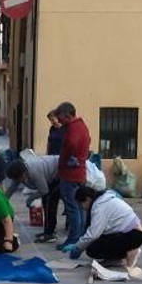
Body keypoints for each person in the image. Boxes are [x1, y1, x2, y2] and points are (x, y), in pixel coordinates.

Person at [67, 185, 142, 277]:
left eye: (82, 204)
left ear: (87, 199)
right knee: (97, 241)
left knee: (92, 248)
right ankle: (115, 259)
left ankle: (132, 251)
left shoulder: (99, 206)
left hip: (132, 235)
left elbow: (93, 234)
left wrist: (78, 248)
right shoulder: (104, 199)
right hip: (133, 233)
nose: (83, 208)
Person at [55, 101, 92, 251]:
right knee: (79, 207)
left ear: (68, 115)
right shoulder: (82, 126)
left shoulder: (74, 128)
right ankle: (80, 236)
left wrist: (68, 159)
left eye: (61, 118)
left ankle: (74, 238)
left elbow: (72, 143)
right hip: (79, 173)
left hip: (70, 174)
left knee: (72, 208)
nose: (59, 122)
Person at [3, 150, 61, 243]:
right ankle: (48, 231)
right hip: (52, 175)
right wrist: (3, 201)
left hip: (60, 172)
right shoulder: (21, 172)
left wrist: (30, 199)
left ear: (23, 173)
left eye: (18, 178)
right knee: (46, 202)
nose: (18, 181)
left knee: (50, 203)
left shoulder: (34, 171)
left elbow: (44, 190)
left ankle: (50, 233)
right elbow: (12, 188)